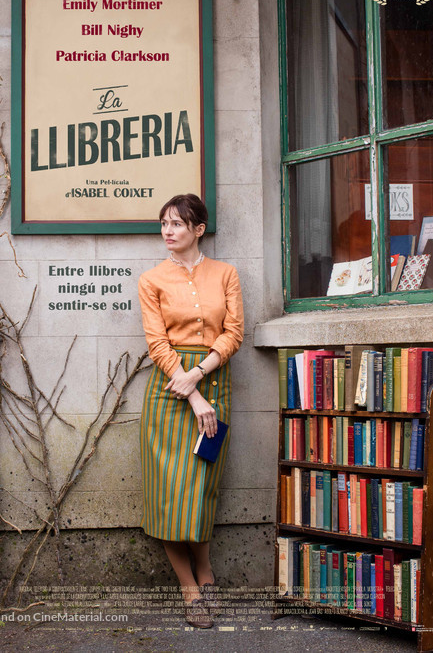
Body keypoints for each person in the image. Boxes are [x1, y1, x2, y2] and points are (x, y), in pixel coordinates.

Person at [137, 193, 244, 628]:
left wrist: (199, 374)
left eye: (177, 224)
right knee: (168, 495)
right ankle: (190, 588)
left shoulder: (226, 274)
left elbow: (234, 332)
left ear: (198, 229)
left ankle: (207, 572)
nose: (167, 231)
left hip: (213, 380)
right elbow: (157, 342)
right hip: (169, 392)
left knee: (199, 491)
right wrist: (191, 390)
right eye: (163, 223)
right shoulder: (151, 280)